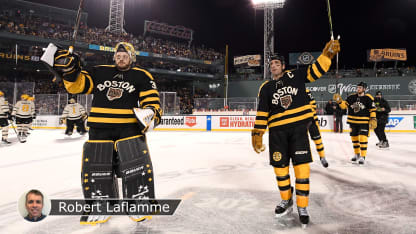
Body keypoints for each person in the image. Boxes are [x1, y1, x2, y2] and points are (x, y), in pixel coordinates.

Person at [46, 42, 163, 225]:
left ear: (132, 57)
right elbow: (77, 87)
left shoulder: (142, 75)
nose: (121, 58)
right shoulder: (99, 71)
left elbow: (152, 101)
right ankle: (100, 203)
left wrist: (152, 115)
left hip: (129, 128)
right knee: (98, 168)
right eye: (118, 55)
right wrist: (69, 70)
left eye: (124, 56)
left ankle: (139, 200)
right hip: (99, 128)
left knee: (134, 167)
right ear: (114, 57)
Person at [251, 39, 340, 227]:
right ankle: (286, 200)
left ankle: (303, 206)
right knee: (280, 171)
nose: (274, 66)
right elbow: (262, 112)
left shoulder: (297, 75)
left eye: (277, 63)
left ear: (283, 66)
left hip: (299, 131)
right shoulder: (265, 88)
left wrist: (327, 55)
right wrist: (257, 133)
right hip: (277, 134)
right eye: (271, 64)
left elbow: (317, 70)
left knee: (302, 171)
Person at [333, 82, 376, 165]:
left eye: (360, 88)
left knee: (363, 138)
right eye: (357, 87)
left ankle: (363, 156)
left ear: (364, 89)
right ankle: (357, 154)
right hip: (353, 122)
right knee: (354, 139)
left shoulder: (368, 98)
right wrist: (339, 101)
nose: (358, 89)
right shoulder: (351, 97)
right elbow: (344, 106)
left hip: (364, 122)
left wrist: (373, 118)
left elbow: (372, 109)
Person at [306, 89, 328, 167]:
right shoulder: (291, 91)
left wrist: (303, 111)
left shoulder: (306, 91)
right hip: (299, 122)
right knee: (301, 142)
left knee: (318, 140)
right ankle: (303, 160)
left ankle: (322, 157)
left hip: (312, 120)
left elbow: (313, 105)